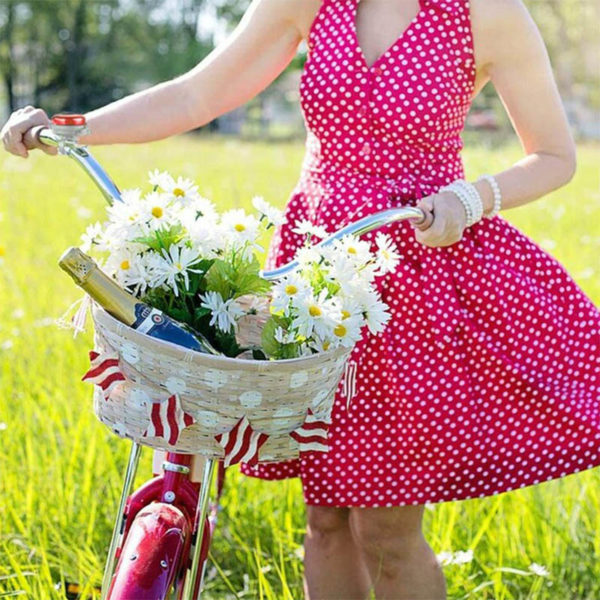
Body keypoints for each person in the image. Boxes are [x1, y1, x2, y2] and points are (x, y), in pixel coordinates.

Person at [2, 0, 599, 598]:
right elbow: (197, 95)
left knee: (387, 527)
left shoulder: (485, 12)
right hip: (317, 279)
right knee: (326, 519)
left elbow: (554, 156)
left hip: (417, 279)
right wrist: (75, 127)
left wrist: (472, 198)